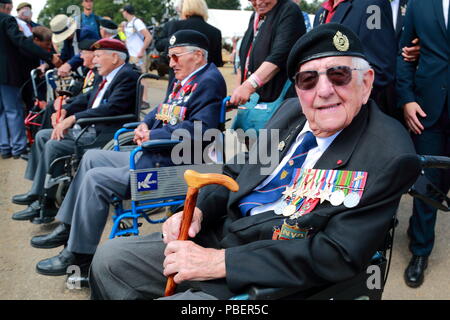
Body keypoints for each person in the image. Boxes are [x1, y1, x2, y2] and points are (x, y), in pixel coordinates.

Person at [88, 23, 421, 300]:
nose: (323, 91)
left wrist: (223, 263)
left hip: (271, 276)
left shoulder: (389, 154)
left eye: (339, 76)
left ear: (366, 83)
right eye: (308, 79)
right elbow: (235, 171)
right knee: (109, 260)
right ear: (298, 90)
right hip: (222, 232)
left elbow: (337, 254)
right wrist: (199, 210)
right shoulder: (290, 112)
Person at [28, 30, 226, 280]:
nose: (170, 63)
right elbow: (161, 110)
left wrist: (153, 136)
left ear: (198, 56)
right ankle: (69, 229)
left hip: (178, 170)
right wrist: (146, 125)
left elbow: (201, 130)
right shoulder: (184, 77)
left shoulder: (209, 80)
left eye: (176, 56)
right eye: (170, 57)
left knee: (96, 179)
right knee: (92, 158)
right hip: (157, 157)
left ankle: (81, 258)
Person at [11, 39, 139, 224]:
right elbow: (88, 97)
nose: (93, 60)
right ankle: (37, 193)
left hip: (106, 132)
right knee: (42, 136)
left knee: (55, 143)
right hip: (93, 127)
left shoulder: (127, 76)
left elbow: (111, 108)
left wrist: (73, 119)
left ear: (114, 57)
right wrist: (66, 108)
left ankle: (45, 203)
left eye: (97, 55)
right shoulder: (108, 75)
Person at [396, 0, 450, 289]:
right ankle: (420, 250)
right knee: (427, 184)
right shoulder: (419, 4)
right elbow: (403, 55)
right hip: (427, 109)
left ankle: (418, 228)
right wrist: (406, 98)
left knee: (444, 183)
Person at [0, 0, 62, 160]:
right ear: (8, 6)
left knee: (2, 112)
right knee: (14, 110)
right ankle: (18, 148)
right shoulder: (7, 19)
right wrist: (49, 57)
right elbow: (20, 42)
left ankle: (5, 147)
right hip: (7, 74)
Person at [230, 0, 305, 106]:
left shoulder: (288, 10)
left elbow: (280, 55)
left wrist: (248, 86)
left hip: (277, 102)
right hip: (254, 102)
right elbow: (245, 57)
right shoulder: (256, 17)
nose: (258, 2)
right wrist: (238, 92)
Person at [121, 4, 152, 73]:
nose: (122, 14)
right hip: (131, 55)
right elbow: (125, 40)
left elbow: (148, 37)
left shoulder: (137, 22)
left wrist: (141, 51)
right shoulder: (128, 24)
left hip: (138, 55)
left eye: (123, 12)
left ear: (126, 12)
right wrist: (121, 32)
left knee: (141, 78)